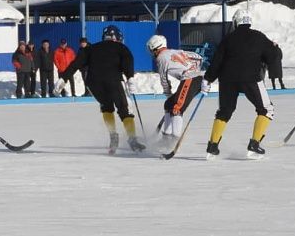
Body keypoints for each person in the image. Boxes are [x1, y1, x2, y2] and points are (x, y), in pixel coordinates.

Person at [54, 25, 146, 154]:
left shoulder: (91, 48)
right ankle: (132, 139)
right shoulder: (121, 47)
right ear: (118, 38)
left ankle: (113, 136)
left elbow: (76, 63)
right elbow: (127, 61)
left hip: (93, 83)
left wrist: (63, 79)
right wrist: (130, 77)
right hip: (113, 80)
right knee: (125, 109)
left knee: (106, 107)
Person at [202, 9, 276, 159]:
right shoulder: (259, 36)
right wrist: (274, 48)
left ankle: (212, 146)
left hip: (227, 80)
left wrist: (208, 79)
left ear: (236, 22)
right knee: (266, 109)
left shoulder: (228, 39)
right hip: (251, 79)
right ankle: (254, 144)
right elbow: (273, 56)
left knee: (224, 112)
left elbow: (217, 61)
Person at [146, 35, 204, 148]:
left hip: (190, 79)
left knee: (177, 107)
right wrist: (195, 69)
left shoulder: (161, 58)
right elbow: (198, 57)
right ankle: (166, 137)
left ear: (155, 47)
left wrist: (168, 94)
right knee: (169, 105)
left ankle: (174, 139)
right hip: (192, 79)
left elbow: (164, 80)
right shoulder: (174, 51)